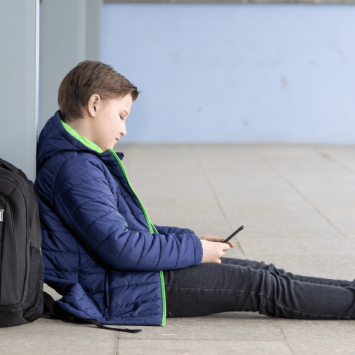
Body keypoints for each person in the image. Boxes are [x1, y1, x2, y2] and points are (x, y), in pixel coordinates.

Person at [35, 60, 355, 328]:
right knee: (264, 287)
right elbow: (120, 249)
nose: (124, 130)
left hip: (133, 277)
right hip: (130, 288)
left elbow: (121, 235)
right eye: (121, 116)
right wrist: (195, 250)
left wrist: (194, 243)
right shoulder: (74, 170)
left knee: (263, 271)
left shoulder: (79, 161)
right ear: (94, 104)